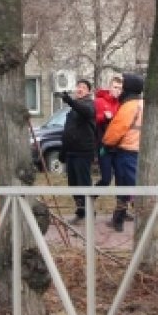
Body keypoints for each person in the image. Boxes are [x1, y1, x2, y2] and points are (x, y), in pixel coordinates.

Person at [102, 73, 144, 232]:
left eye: (123, 86)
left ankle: (132, 218)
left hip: (126, 151)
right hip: (138, 150)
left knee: (126, 187)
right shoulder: (142, 104)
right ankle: (118, 218)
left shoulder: (129, 106)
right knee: (128, 187)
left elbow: (116, 129)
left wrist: (105, 144)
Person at [59, 79, 98, 224]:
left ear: (88, 91)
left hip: (83, 151)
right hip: (71, 152)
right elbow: (67, 132)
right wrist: (63, 151)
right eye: (78, 86)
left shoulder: (89, 105)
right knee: (73, 184)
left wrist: (70, 101)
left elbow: (86, 112)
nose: (80, 89)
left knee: (83, 183)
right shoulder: (73, 110)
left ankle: (90, 212)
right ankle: (81, 211)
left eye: (83, 87)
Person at [94, 75, 122, 190]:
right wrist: (104, 117)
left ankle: (121, 206)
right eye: (115, 87)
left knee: (121, 177)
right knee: (106, 179)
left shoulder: (120, 104)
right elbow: (94, 118)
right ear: (109, 87)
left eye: (120, 88)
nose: (117, 91)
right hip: (104, 146)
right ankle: (90, 198)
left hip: (118, 146)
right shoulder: (100, 101)